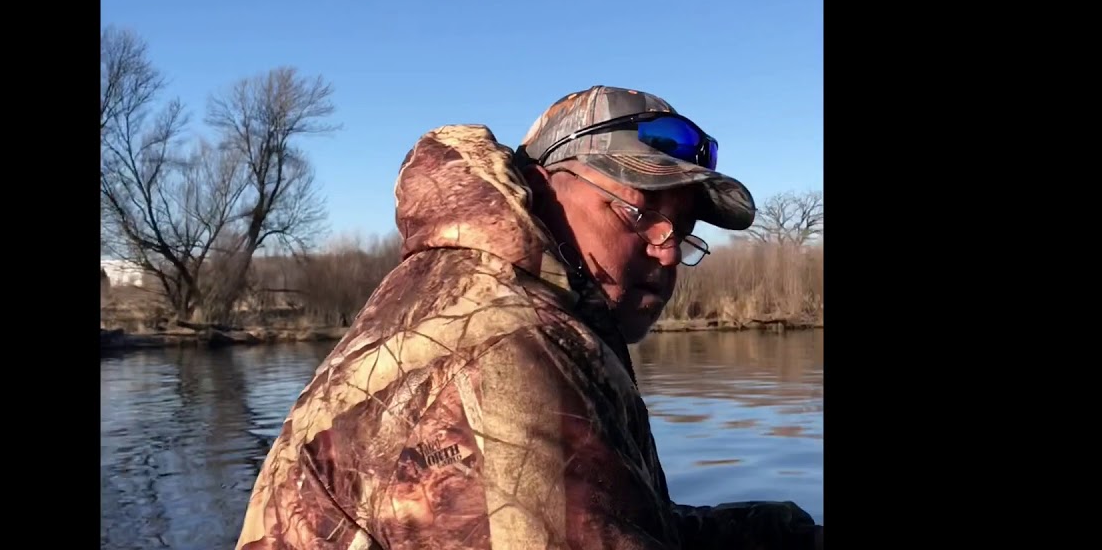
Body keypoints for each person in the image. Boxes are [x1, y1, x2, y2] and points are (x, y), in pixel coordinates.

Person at [234, 85, 823, 549]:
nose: (667, 251)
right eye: (639, 212)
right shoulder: (503, 345)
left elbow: (609, 523)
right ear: (541, 189)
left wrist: (783, 532)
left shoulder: (477, 295)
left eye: (683, 232)